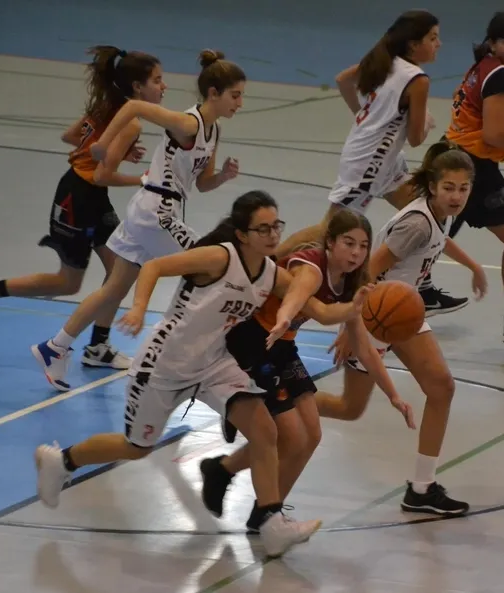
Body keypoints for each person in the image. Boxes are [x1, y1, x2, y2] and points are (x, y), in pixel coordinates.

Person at [33, 190, 368, 558]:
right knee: (137, 448)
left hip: (214, 364)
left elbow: (320, 311)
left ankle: (271, 523)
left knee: (264, 429)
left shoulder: (272, 273)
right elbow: (154, 267)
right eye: (263, 229)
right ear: (242, 234)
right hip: (164, 365)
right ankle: (62, 461)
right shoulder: (220, 257)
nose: (273, 235)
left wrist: (355, 308)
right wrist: (140, 307)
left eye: (277, 226)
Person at [30, 49, 244, 391]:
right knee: (208, 267)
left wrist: (223, 177)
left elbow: (202, 184)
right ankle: (186, 357)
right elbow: (132, 106)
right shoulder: (189, 123)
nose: (240, 103)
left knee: (114, 288)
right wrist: (101, 144)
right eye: (236, 95)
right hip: (156, 211)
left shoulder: (213, 132)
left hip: (149, 210)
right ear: (214, 94)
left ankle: (54, 347)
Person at [200, 209, 416, 532]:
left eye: (362, 246)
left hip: (282, 346)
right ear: (329, 243)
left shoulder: (353, 282)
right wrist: (286, 315)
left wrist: (395, 396)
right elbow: (304, 295)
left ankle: (258, 506)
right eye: (348, 243)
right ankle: (265, 509)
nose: (356, 252)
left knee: (311, 435)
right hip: (251, 339)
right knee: (291, 435)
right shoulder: (311, 265)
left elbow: (364, 348)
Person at [0, 46, 165, 370]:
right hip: (77, 199)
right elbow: (101, 174)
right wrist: (143, 179)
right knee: (70, 282)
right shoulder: (129, 123)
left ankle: (97, 347)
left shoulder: (107, 107)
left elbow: (72, 137)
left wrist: (116, 151)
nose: (163, 86)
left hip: (91, 196)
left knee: (119, 273)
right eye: (157, 80)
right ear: (137, 87)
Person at [320, 141, 488, 516]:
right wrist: (351, 325)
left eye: (463, 188)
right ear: (433, 186)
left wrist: (473, 265)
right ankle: (276, 405)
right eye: (449, 188)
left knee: (442, 388)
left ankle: (422, 487)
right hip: (377, 314)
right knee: (349, 409)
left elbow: (439, 240)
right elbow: (368, 270)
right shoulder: (415, 224)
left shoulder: (436, 214)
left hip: (404, 313)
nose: (457, 195)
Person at [274, 11, 467, 317]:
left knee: (428, 210)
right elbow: (416, 139)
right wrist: (425, 122)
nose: (439, 44)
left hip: (381, 156)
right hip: (370, 162)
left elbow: (343, 81)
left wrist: (365, 118)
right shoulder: (418, 80)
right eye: (433, 38)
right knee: (329, 229)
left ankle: (423, 288)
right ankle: (266, 264)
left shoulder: (388, 59)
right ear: (414, 44)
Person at [416, 9, 504, 343]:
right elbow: (494, 134)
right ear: (493, 43)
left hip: (453, 155)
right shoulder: (503, 76)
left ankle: (415, 292)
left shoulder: (484, 66)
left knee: (428, 237)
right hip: (471, 167)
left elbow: (487, 126)